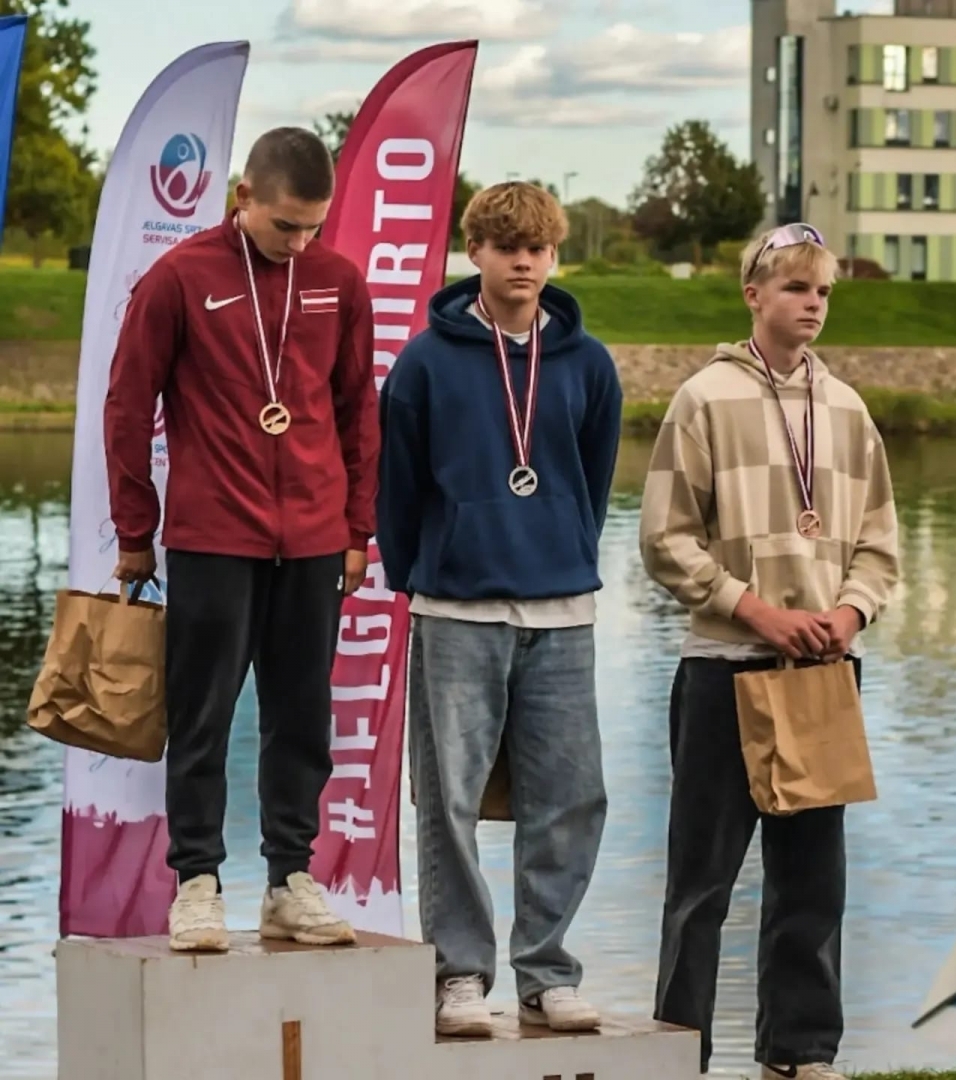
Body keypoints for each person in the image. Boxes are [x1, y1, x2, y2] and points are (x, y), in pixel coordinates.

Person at [103, 127, 380, 953]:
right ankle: (196, 882)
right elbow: (127, 405)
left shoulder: (337, 281)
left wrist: (356, 528)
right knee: (203, 715)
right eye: (285, 225)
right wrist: (133, 531)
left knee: (302, 713)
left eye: (313, 227)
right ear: (243, 199)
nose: (300, 242)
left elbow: (359, 408)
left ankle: (290, 879)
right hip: (212, 533)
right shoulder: (181, 276)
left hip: (315, 535)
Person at [638, 224, 900, 1078]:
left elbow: (879, 545)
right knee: (701, 886)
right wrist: (755, 611)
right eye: (794, 289)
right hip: (725, 668)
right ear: (754, 296)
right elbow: (666, 541)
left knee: (812, 884)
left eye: (822, 292)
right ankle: (680, 1054)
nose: (812, 305)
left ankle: (798, 1055)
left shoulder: (850, 410)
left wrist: (852, 614)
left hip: (823, 670)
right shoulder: (704, 399)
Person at [375, 182, 623, 1037]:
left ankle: (547, 973)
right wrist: (427, 573)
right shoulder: (425, 363)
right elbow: (397, 489)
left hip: (561, 610)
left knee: (569, 797)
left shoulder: (587, 362)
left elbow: (592, 482)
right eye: (507, 245)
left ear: (555, 257)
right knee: (447, 801)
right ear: (473, 251)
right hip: (456, 610)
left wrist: (559, 548)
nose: (524, 261)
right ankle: (460, 976)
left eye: (539, 248)